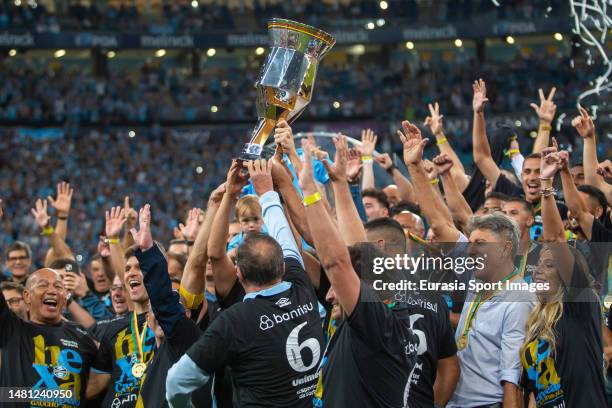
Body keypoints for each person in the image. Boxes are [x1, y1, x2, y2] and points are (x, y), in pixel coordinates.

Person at [166, 159, 323, 407]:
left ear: (238, 273)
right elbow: (286, 239)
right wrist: (269, 191)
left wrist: (230, 195)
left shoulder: (233, 321)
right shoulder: (302, 289)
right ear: (283, 266)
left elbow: (176, 381)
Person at [299, 138, 418, 407]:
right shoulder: (387, 309)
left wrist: (310, 191)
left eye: (336, 287)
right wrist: (340, 184)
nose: (329, 296)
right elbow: (356, 251)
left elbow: (338, 263)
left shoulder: (379, 324)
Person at [519, 147, 607, 407]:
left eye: (549, 265)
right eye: (538, 266)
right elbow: (534, 391)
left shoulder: (579, 303)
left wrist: (547, 184)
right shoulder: (535, 323)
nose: (537, 271)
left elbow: (556, 239)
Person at [364, 217, 460, 407]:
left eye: (363, 248)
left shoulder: (369, 289)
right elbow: (450, 368)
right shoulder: (434, 297)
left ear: (379, 247)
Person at [87, 205, 156, 408]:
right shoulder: (112, 330)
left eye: (140, 268)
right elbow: (94, 384)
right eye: (127, 270)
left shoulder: (170, 322)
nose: (131, 273)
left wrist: (117, 241)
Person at [0, 268, 100, 407]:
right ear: (27, 296)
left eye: (58, 286)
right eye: (43, 285)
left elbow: (106, 372)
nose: (52, 291)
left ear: (65, 298)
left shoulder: (81, 335)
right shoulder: (11, 329)